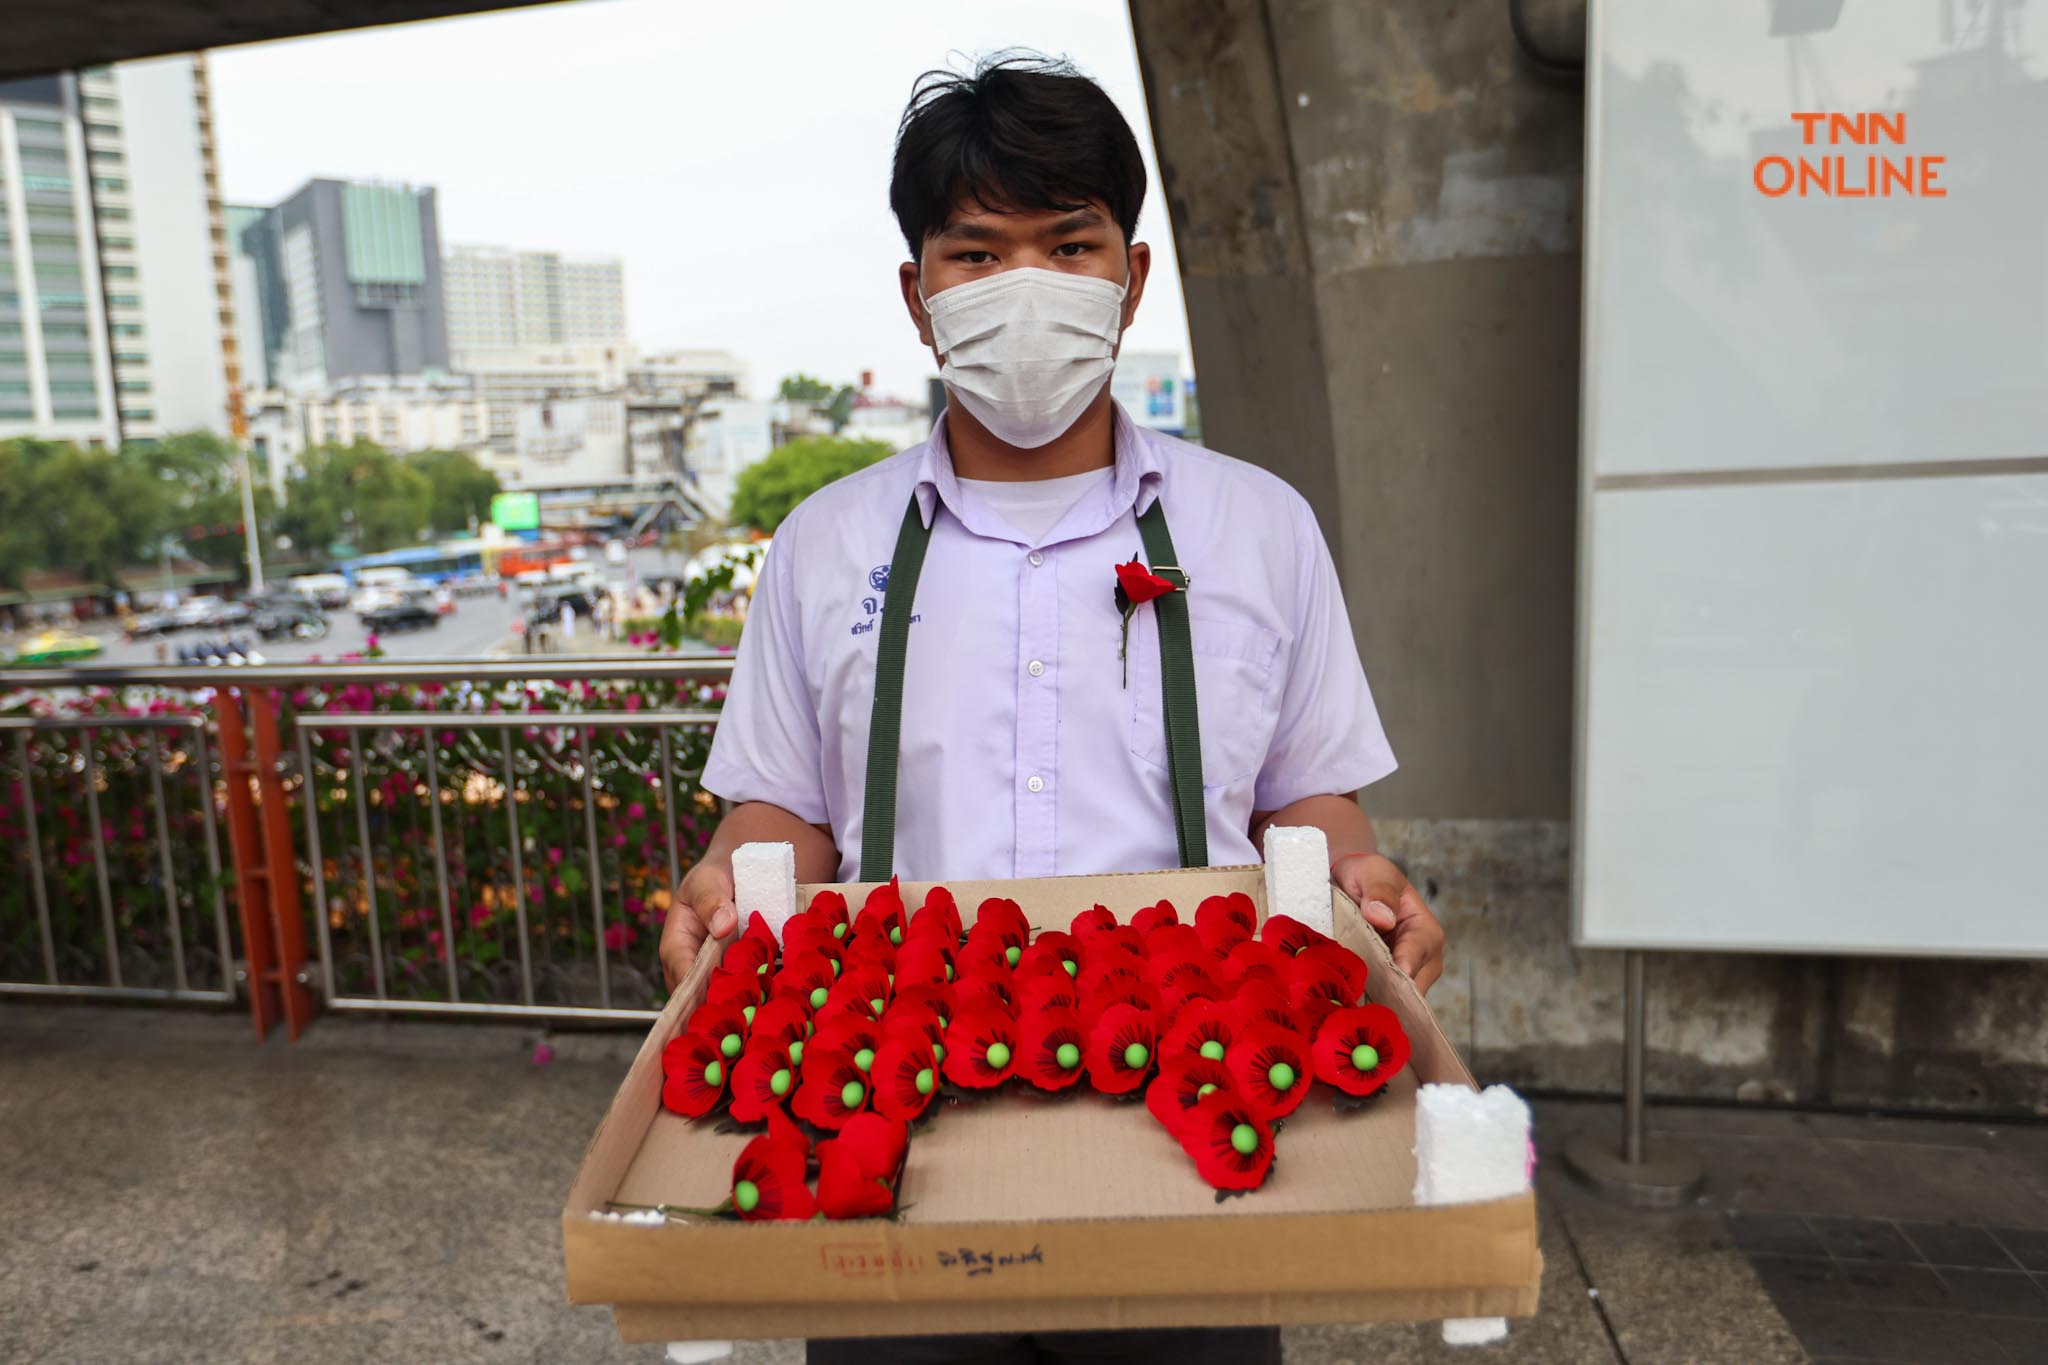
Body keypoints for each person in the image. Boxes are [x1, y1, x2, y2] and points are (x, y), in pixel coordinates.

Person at [660, 52, 1445, 1365]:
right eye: (976, 254)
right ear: (917, 296)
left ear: (1131, 278)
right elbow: (785, 812)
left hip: (1190, 1120)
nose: (1024, 288)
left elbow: (1310, 798)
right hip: (891, 1122)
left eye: (1068, 243)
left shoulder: (1257, 527)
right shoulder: (822, 543)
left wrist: (1364, 879)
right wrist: (722, 889)